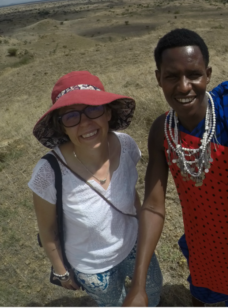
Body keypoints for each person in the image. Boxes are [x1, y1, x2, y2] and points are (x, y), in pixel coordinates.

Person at [123, 28, 228, 308]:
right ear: (158, 78)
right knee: (200, 297)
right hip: (203, 241)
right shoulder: (162, 132)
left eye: (194, 74)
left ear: (207, 75)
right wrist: (138, 286)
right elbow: (152, 206)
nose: (184, 86)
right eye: (171, 76)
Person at [29, 70, 162, 308]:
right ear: (62, 127)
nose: (86, 123)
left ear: (108, 112)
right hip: (93, 269)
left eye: (93, 109)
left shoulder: (126, 145)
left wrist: (144, 230)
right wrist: (61, 271)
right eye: (71, 116)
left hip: (135, 244)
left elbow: (133, 195)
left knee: (152, 291)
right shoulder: (48, 173)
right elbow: (48, 230)